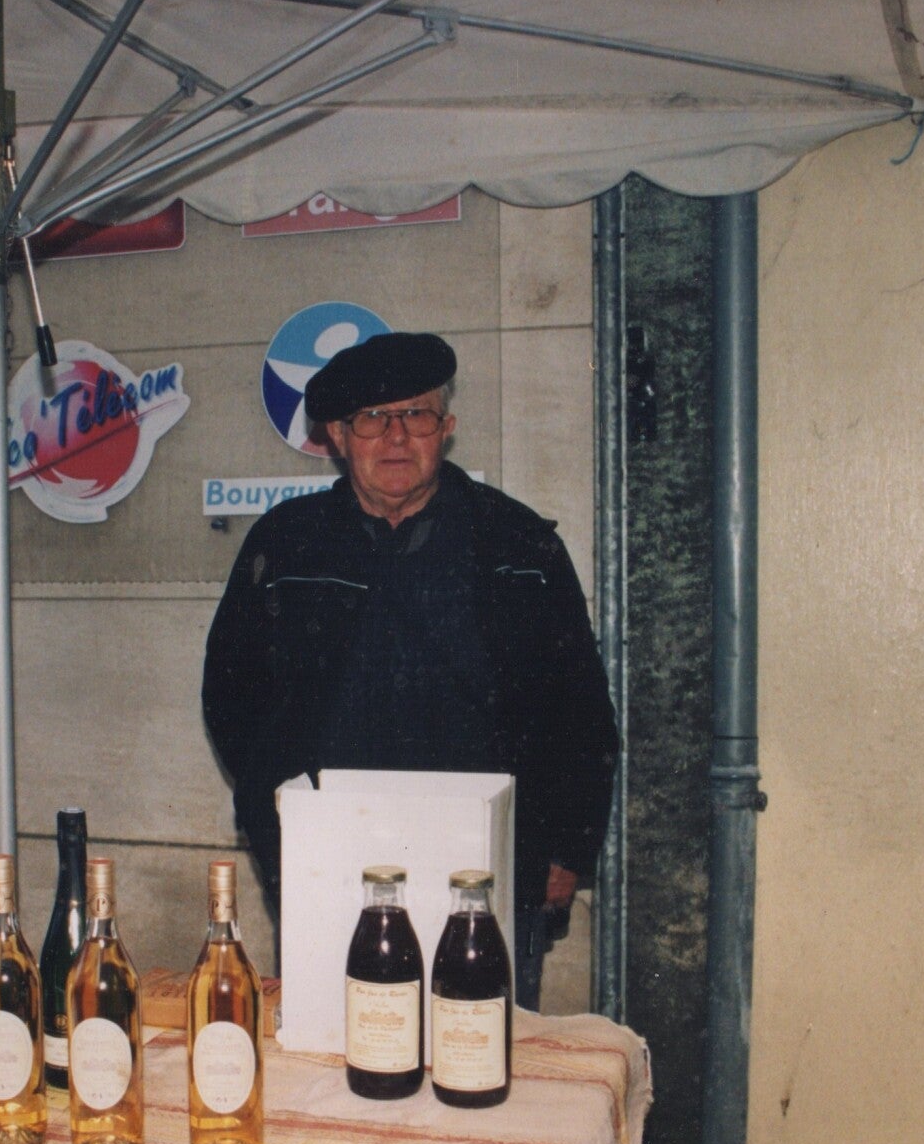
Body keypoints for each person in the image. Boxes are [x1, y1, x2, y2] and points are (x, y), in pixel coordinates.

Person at [201, 331, 617, 1008]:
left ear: (445, 429)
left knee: (473, 1043)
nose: (395, 437)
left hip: (484, 860)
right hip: (329, 858)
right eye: (371, 418)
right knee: (330, 1039)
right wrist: (276, 816)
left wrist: (567, 851)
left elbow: (580, 711)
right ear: (337, 436)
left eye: (416, 415)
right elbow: (230, 696)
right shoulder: (284, 545)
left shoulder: (518, 544)